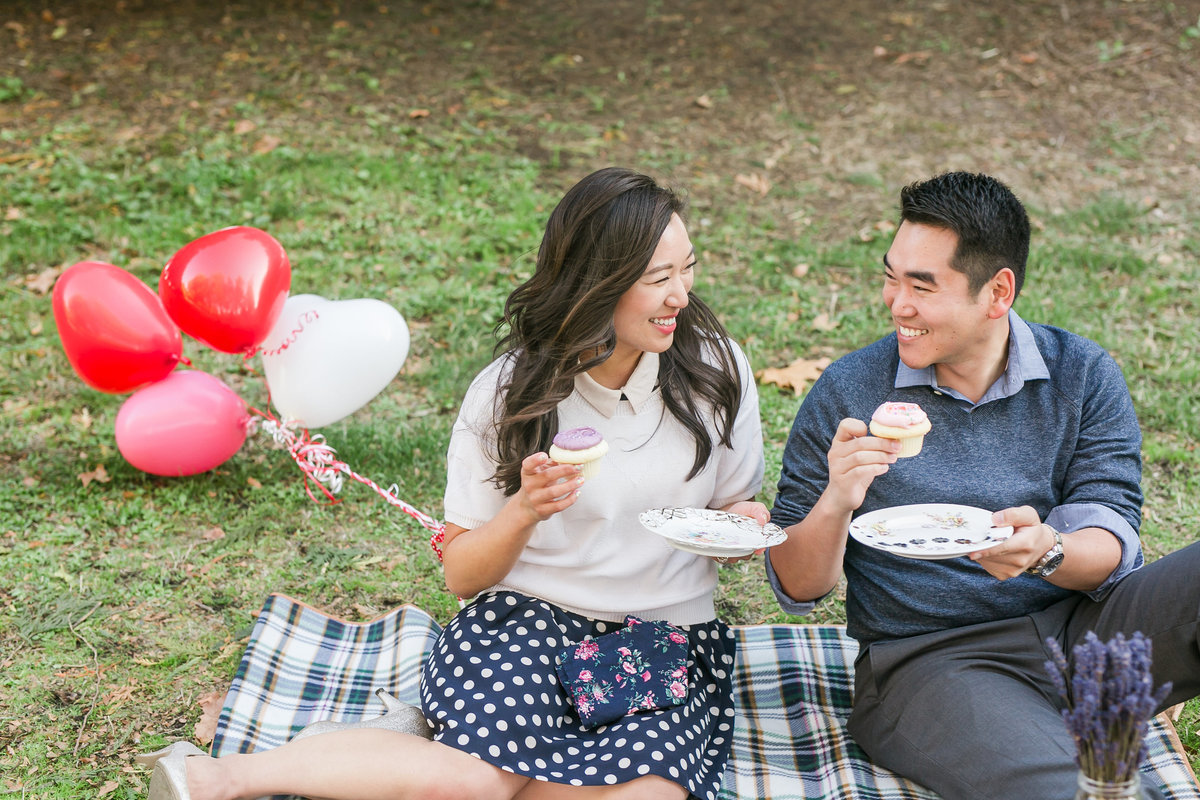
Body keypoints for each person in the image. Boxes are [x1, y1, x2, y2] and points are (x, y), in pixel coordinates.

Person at [137, 166, 767, 800]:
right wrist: (525, 509)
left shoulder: (716, 370)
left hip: (662, 638)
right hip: (529, 624)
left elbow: (730, 504)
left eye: (687, 268)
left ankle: (394, 755)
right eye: (658, 278)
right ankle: (219, 776)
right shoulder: (509, 393)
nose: (681, 295)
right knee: (474, 784)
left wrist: (746, 524)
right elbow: (463, 574)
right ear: (594, 285)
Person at [764, 171, 1199, 800]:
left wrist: (1047, 551)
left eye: (922, 286)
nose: (897, 304)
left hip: (1083, 629)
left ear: (998, 293)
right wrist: (838, 497)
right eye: (892, 277)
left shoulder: (1082, 374)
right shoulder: (850, 392)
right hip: (934, 663)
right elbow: (798, 587)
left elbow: (1111, 538)